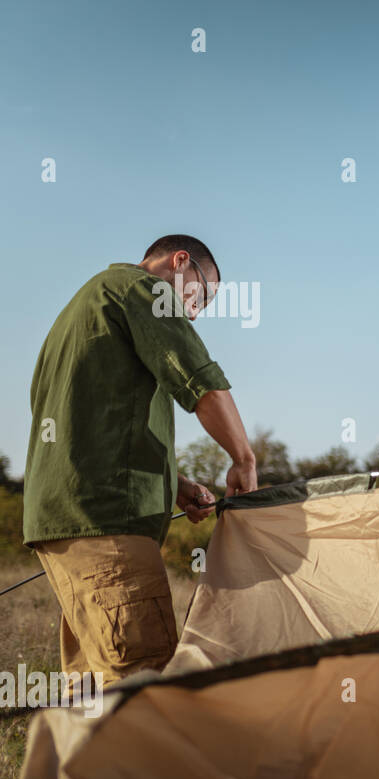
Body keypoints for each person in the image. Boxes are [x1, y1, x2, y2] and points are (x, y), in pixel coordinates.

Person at [23, 235, 258, 687]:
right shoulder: (142, 291)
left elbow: (92, 428)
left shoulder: (84, 304)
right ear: (180, 262)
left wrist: (176, 483)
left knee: (94, 696)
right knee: (146, 689)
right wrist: (243, 459)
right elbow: (200, 380)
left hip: (64, 528)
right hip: (109, 527)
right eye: (200, 297)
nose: (192, 313)